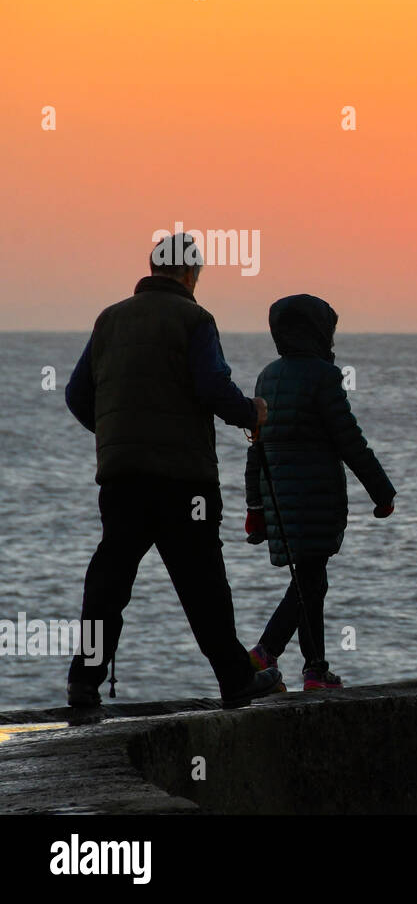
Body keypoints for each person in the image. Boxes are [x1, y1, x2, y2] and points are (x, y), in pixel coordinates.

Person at [63, 233, 284, 707]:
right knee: (202, 581)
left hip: (121, 479)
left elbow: (77, 395)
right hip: (185, 482)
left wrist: (113, 435)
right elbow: (212, 387)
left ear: (151, 267)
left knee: (109, 582)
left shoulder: (110, 319)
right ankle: (235, 678)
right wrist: (252, 412)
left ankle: (83, 682)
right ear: (191, 274)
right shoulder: (195, 319)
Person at [243, 295, 395, 691]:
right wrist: (381, 492)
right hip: (315, 495)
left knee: (310, 579)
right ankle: (266, 652)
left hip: (276, 493)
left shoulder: (267, 376)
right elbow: (349, 440)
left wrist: (254, 505)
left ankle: (313, 669)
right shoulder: (324, 377)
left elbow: (255, 445)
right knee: (310, 581)